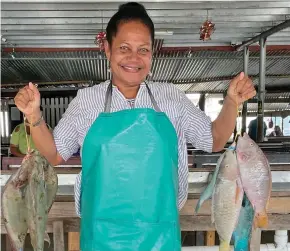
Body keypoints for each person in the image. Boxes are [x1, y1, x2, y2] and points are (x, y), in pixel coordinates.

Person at [13, 3, 256, 250]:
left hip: (160, 237)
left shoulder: (170, 97)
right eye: (124, 48)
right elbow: (54, 154)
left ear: (153, 52)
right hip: (101, 238)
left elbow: (213, 139)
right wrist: (33, 115)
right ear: (107, 49)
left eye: (143, 50)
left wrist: (231, 102)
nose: (134, 58)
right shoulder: (86, 101)